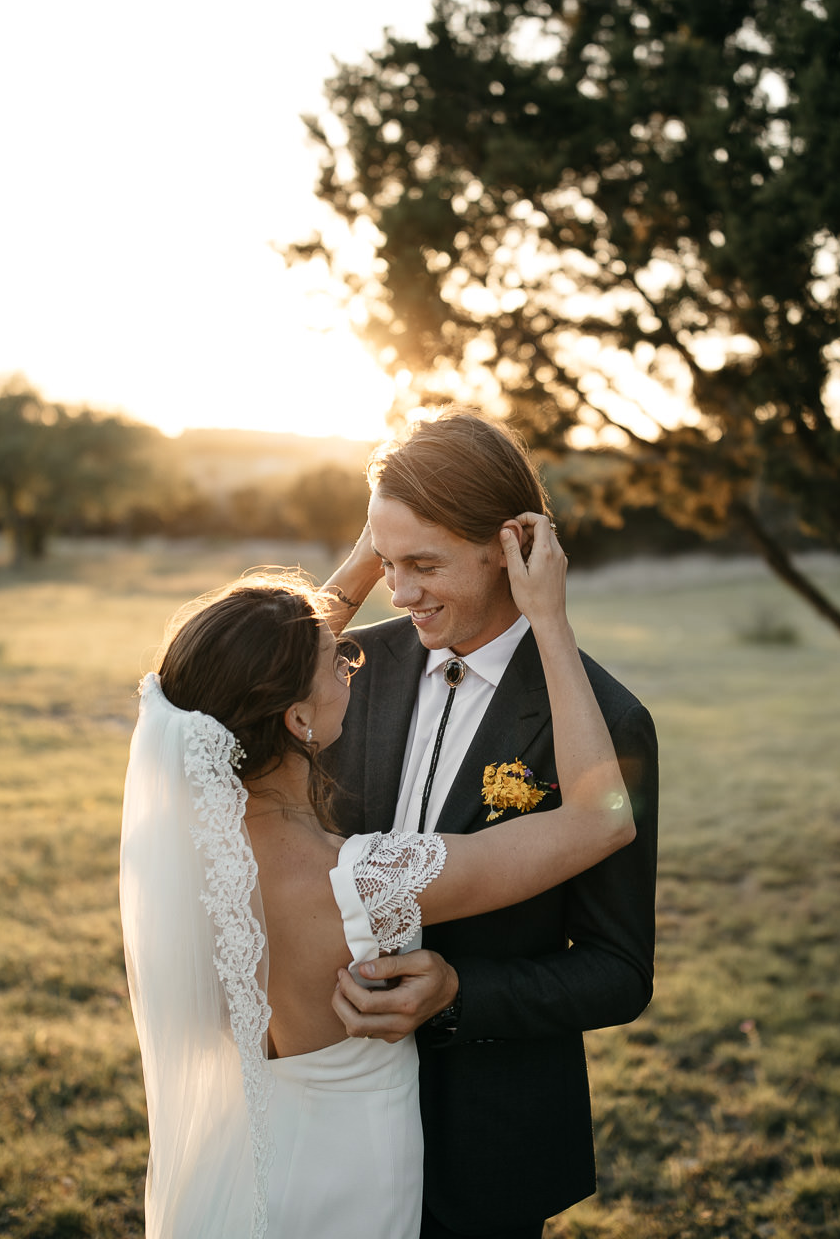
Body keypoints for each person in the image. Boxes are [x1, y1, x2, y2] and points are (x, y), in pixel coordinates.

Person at [120, 507, 632, 1238]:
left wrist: (374, 548)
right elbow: (602, 818)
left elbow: (253, 672)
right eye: (339, 659)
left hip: (239, 1178)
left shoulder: (185, 849)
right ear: (299, 719)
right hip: (348, 1191)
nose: (356, 656)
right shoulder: (362, 883)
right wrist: (549, 619)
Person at [326, 410, 660, 1239]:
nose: (399, 593)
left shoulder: (606, 723)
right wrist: (376, 543)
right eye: (386, 563)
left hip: (488, 1141)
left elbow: (620, 971)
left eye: (424, 564)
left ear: (509, 546)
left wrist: (458, 995)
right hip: (334, 1111)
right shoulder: (349, 668)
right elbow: (217, 706)